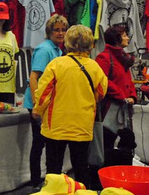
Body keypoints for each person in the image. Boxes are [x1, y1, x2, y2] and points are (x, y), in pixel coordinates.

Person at [32, 25, 108, 186]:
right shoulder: (95, 67)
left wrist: (37, 110)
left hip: (56, 125)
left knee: (53, 168)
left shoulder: (56, 64)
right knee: (81, 166)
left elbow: (44, 93)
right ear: (90, 44)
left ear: (68, 42)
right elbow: (101, 92)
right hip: (82, 125)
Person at [23, 15, 68, 189]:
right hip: (38, 105)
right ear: (49, 31)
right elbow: (34, 77)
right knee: (39, 143)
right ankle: (36, 181)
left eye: (63, 30)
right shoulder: (45, 49)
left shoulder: (57, 49)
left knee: (44, 143)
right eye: (56, 30)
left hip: (48, 104)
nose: (60, 33)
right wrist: (37, 105)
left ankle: (45, 180)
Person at [95, 25, 137, 165]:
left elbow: (128, 80)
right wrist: (121, 95)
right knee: (106, 145)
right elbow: (102, 80)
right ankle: (102, 177)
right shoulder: (104, 57)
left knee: (125, 144)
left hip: (123, 108)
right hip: (109, 109)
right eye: (124, 35)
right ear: (116, 39)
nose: (127, 37)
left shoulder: (123, 57)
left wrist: (132, 95)